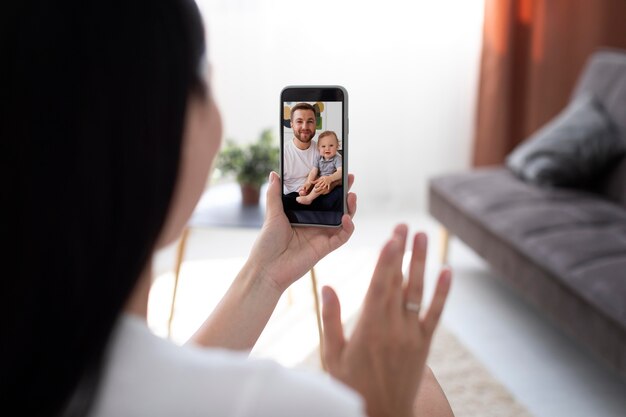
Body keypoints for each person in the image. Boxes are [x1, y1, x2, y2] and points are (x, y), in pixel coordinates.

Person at [3, 1, 454, 417]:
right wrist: (380, 406)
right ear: (158, 134)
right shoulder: (278, 404)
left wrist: (264, 273)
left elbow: (160, 390)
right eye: (203, 77)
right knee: (424, 393)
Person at [282, 102, 343, 211]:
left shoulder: (323, 149)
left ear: (316, 124)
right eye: (299, 121)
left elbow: (343, 174)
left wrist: (330, 184)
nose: (305, 127)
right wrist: (306, 186)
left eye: (310, 121)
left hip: (321, 195)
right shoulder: (283, 152)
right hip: (294, 197)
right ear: (291, 124)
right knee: (284, 201)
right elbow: (274, 187)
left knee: (340, 193)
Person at [296, 130, 343, 205]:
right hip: (320, 178)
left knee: (321, 183)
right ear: (319, 148)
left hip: (330, 181)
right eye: (323, 146)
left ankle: (309, 199)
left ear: (337, 146)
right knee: (312, 178)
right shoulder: (318, 158)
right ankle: (306, 190)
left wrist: (330, 178)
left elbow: (340, 172)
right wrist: (308, 182)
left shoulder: (337, 158)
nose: (327, 149)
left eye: (331, 145)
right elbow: (313, 171)